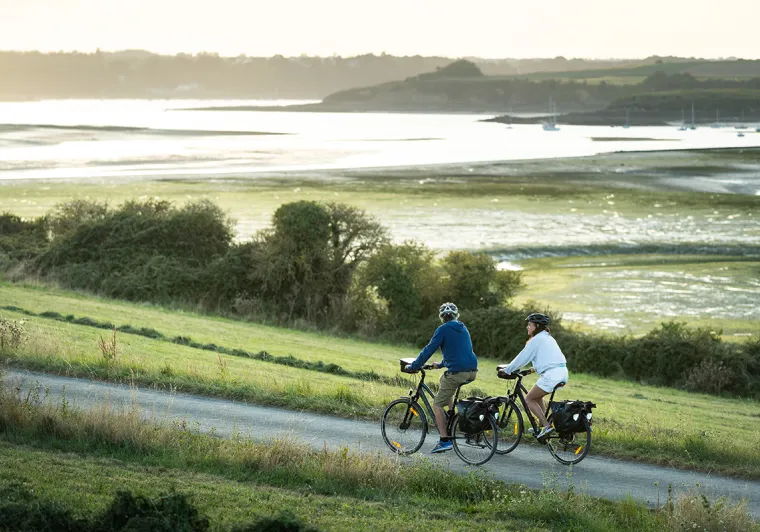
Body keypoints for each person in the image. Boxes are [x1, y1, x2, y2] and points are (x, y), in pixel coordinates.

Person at [405, 302, 478, 453]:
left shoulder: (443, 329)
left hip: (458, 372)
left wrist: (414, 366)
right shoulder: (463, 328)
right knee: (443, 379)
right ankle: (451, 413)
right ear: (456, 315)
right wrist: (441, 364)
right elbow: (459, 352)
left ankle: (444, 440)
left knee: (437, 406)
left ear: (442, 317)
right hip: (471, 371)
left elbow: (429, 350)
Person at [500, 312, 567, 440]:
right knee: (537, 396)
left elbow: (522, 358)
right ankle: (542, 425)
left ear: (536, 326)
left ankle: (547, 426)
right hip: (562, 372)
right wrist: (533, 369)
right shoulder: (548, 337)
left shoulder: (536, 340)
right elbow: (548, 357)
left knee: (529, 399)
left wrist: (508, 369)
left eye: (529, 324)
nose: (527, 327)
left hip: (552, 375)